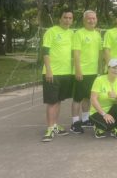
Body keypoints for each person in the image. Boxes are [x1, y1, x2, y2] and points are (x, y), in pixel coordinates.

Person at [41, 9, 74, 142]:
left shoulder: (72, 33)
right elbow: (45, 51)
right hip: (52, 73)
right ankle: (49, 128)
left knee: (58, 100)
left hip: (66, 73)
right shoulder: (51, 31)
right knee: (52, 102)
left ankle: (55, 125)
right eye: (65, 17)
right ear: (60, 19)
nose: (67, 20)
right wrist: (49, 70)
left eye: (70, 18)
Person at [70, 10, 102, 134]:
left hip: (93, 72)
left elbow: (99, 54)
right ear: (84, 20)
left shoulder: (98, 34)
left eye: (94, 18)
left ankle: (85, 119)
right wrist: (78, 70)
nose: (91, 20)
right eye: (89, 18)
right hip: (81, 72)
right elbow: (76, 54)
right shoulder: (78, 34)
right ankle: (75, 122)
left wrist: (99, 69)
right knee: (78, 98)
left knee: (88, 97)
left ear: (96, 19)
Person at [89, 58, 117, 139]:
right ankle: (98, 127)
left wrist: (116, 96)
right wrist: (104, 114)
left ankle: (116, 128)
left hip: (111, 111)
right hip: (97, 112)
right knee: (108, 127)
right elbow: (93, 99)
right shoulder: (99, 80)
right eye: (113, 67)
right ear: (108, 68)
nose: (116, 70)